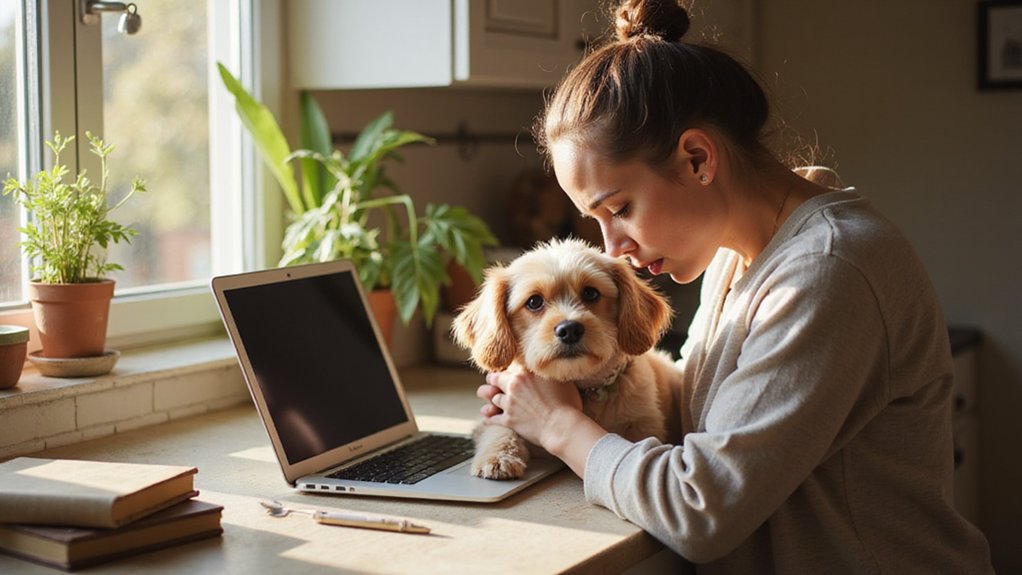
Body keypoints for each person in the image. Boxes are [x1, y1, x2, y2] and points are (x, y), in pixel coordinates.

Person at [475, 0, 994, 571]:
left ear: (698, 158)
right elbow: (713, 422)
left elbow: (701, 509)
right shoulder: (740, 256)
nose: (613, 246)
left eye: (619, 209)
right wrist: (570, 390)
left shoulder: (828, 269)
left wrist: (558, 424)